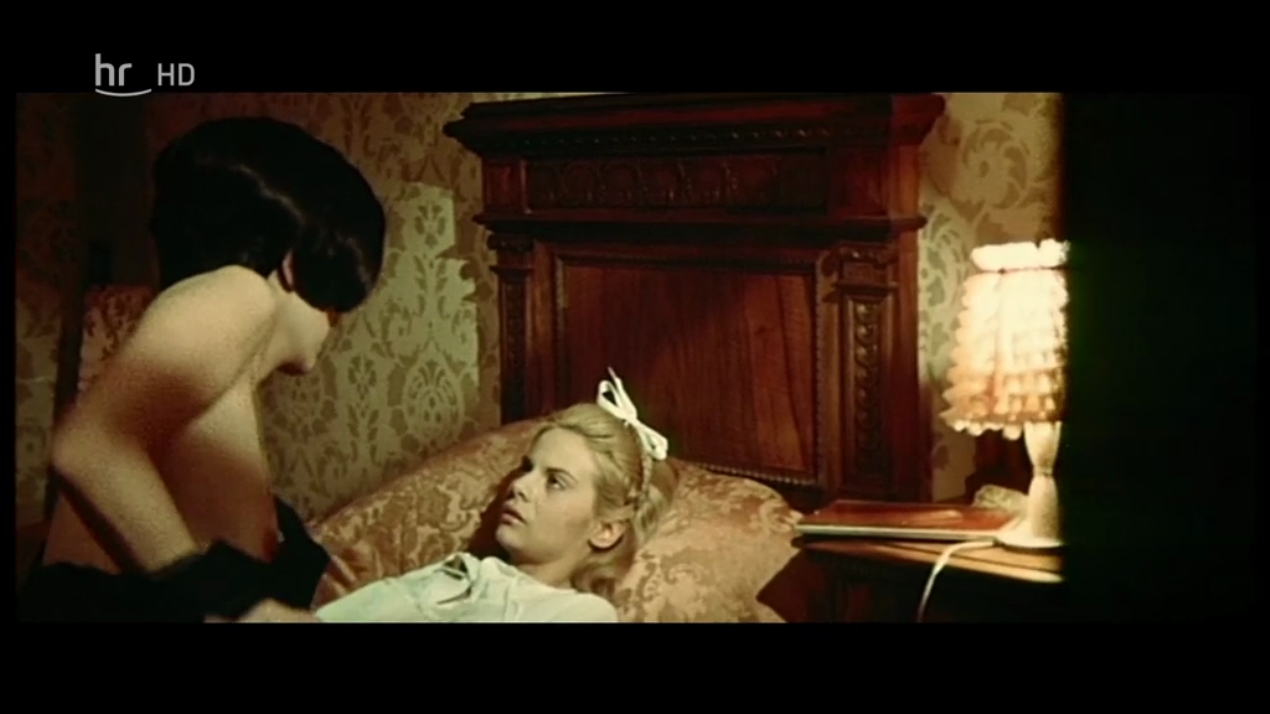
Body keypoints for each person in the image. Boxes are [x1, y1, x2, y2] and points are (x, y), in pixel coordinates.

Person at [18, 116, 387, 623]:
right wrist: (237, 603)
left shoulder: (215, 388)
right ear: (292, 263)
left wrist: (309, 583)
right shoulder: (241, 292)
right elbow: (88, 446)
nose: (338, 320)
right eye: (340, 294)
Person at [315, 370, 677, 623]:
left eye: (555, 482)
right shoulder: (460, 572)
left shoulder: (582, 614)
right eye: (526, 468)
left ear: (605, 530)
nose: (519, 487)